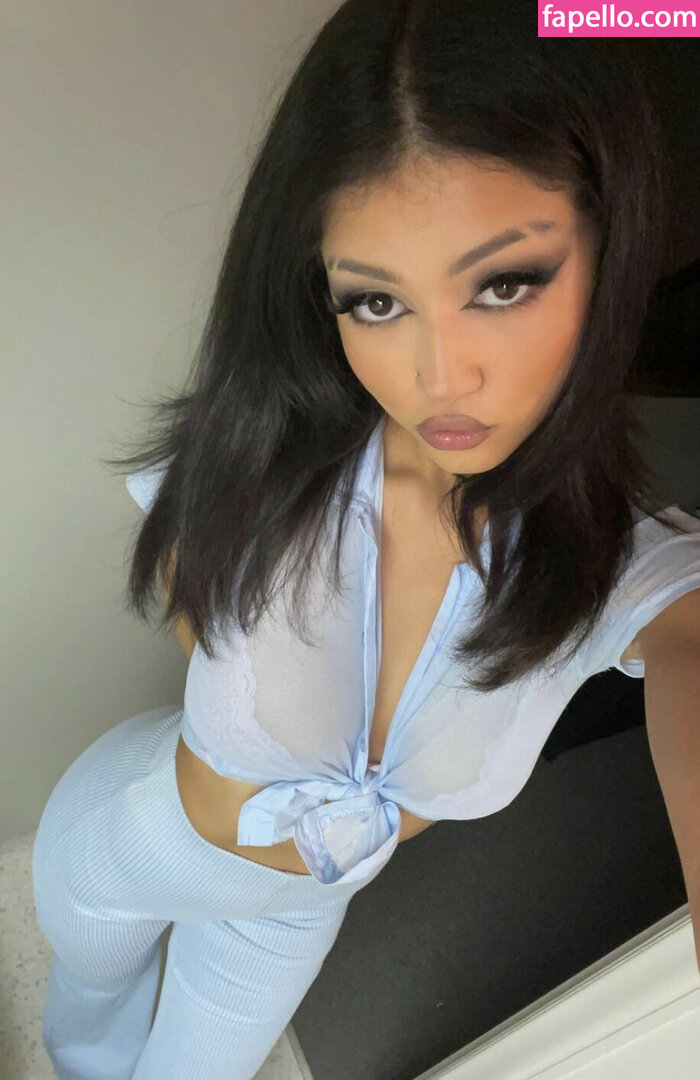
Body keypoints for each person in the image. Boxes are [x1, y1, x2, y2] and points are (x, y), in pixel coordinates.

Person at [31, 2, 700, 1078]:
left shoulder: (626, 573)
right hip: (129, 838)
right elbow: (186, 574)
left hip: (289, 921)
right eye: (376, 302)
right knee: (81, 1024)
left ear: (609, 252)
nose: (439, 378)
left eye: (504, 284)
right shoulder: (271, 447)